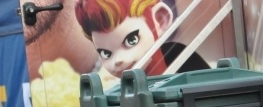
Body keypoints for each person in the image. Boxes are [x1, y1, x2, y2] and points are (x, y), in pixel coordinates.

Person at [74, 0, 210, 78]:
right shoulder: (119, 97)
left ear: (160, 19)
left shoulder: (187, 63)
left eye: (131, 40)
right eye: (106, 54)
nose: (118, 60)